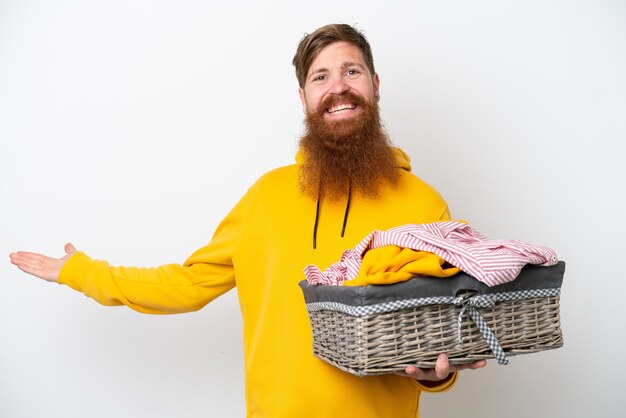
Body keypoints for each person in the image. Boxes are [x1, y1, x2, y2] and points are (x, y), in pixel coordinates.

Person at [9, 23, 485, 418]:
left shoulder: (424, 203)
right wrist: (82, 272)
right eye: (320, 77)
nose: (337, 87)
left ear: (375, 85)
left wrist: (441, 373)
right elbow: (188, 284)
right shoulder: (265, 197)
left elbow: (452, 325)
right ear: (303, 98)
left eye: (351, 71)